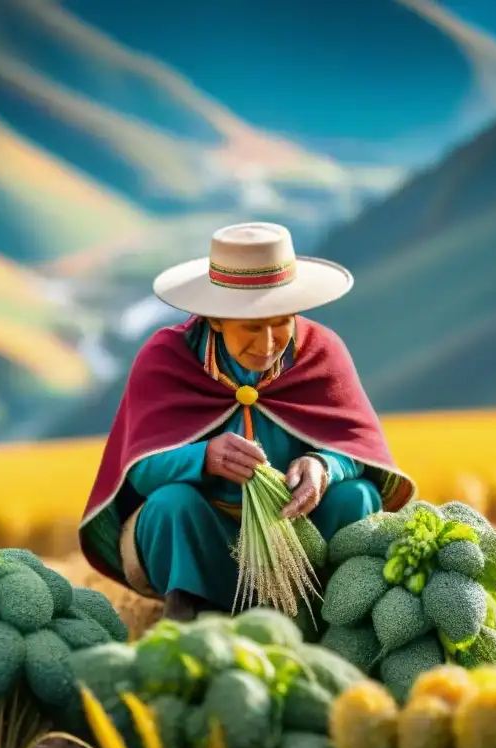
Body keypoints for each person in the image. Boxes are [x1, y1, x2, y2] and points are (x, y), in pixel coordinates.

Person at [79, 222, 415, 621]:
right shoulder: (165, 359)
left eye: (281, 322)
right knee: (170, 504)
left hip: (302, 535)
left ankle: (340, 618)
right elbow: (141, 469)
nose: (269, 343)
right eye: (252, 327)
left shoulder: (322, 351)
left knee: (356, 496)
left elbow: (357, 447)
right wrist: (203, 458)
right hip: (210, 543)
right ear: (215, 319)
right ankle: (193, 618)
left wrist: (324, 466)